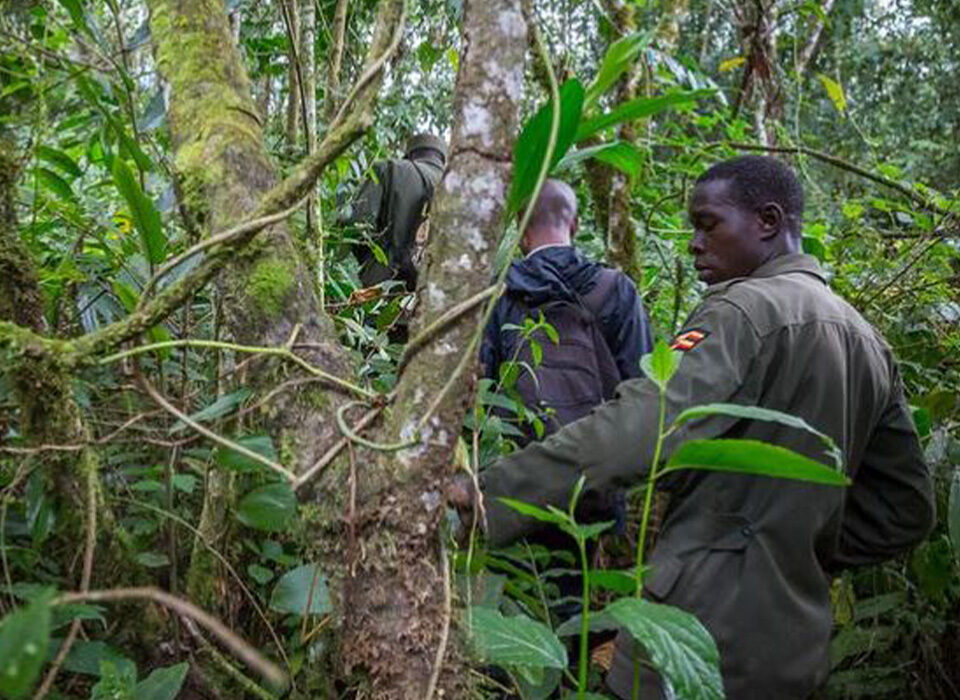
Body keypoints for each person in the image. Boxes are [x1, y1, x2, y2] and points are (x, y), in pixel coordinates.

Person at [453, 156, 934, 699]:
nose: (694, 245)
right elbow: (906, 509)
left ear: (768, 222)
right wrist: (792, 549)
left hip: (693, 639)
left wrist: (485, 495)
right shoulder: (866, 338)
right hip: (795, 648)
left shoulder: (742, 312)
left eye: (708, 224)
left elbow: (633, 432)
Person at [478, 179, 653, 623]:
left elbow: (476, 385)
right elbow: (641, 388)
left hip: (513, 477)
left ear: (521, 226)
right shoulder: (616, 290)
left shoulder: (499, 293)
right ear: (575, 223)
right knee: (570, 598)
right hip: (588, 484)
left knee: (513, 598)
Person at [344, 133, 447, 291]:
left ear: (410, 154)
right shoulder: (459, 190)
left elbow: (357, 225)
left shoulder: (389, 169)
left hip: (382, 287)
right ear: (442, 158)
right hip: (435, 292)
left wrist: (376, 261)